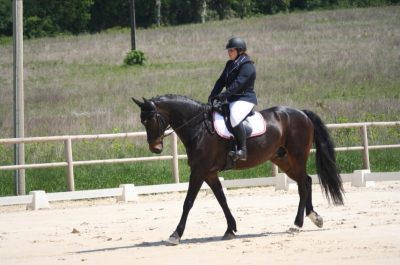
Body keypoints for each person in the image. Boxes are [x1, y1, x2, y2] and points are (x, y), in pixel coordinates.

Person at [208, 37, 257, 161]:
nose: (228, 53)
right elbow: (221, 81)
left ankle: (243, 150)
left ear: (240, 51)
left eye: (231, 50)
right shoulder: (230, 64)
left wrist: (223, 96)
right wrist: (213, 95)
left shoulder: (247, 66)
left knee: (234, 117)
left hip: (245, 99)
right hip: (232, 99)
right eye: (228, 50)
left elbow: (238, 84)